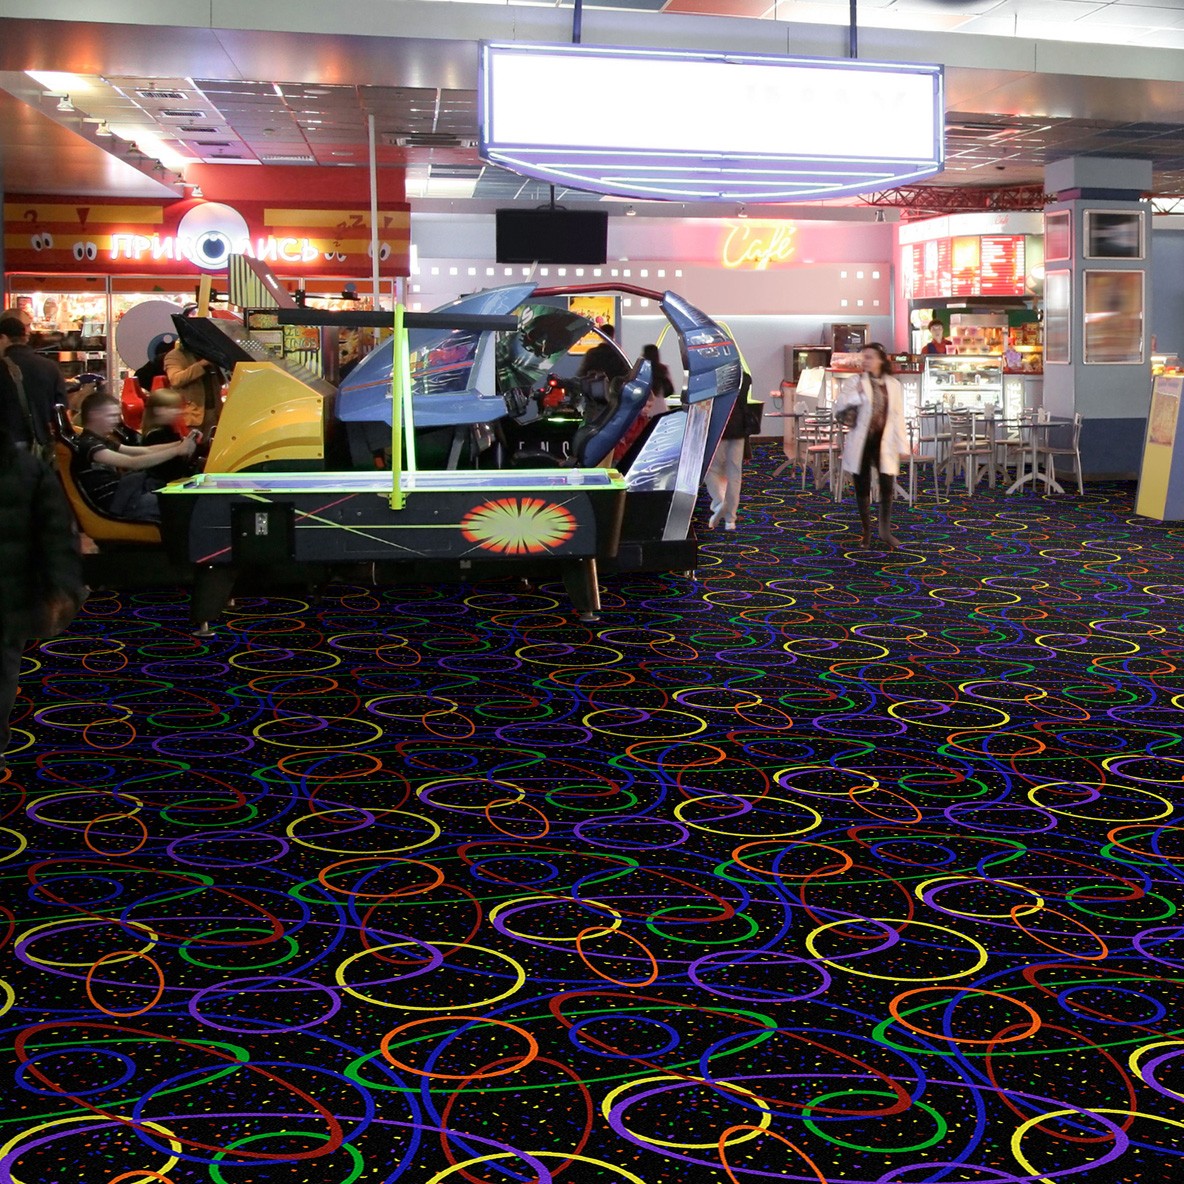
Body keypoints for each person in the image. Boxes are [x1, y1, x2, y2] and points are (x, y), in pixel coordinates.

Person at [0, 425, 86, 774]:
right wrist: (62, 587)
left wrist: (61, 586)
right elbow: (57, 537)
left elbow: (55, 536)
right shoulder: (27, 469)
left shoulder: (28, 470)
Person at [72, 392, 196, 522]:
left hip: (125, 495)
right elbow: (132, 462)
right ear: (94, 415)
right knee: (183, 503)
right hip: (118, 503)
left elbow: (145, 450)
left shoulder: (100, 440)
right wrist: (177, 450)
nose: (117, 420)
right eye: (111, 416)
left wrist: (181, 443)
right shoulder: (88, 444)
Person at [833, 343, 910, 551]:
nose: (865, 361)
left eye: (870, 357)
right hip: (862, 440)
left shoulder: (893, 385)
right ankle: (866, 531)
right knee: (862, 485)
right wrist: (857, 394)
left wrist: (903, 445)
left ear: (881, 360)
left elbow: (897, 416)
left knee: (886, 485)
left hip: (884, 440)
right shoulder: (855, 381)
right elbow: (839, 405)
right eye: (863, 357)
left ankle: (885, 531)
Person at [0, 315, 67, 443]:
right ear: (25, 338)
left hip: (7, 445)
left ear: (3, 338)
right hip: (41, 443)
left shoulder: (2, 368)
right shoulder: (50, 367)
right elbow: (61, 408)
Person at [705, 373, 755, 532]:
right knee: (734, 475)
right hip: (739, 429)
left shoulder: (713, 376)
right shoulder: (744, 377)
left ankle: (720, 503)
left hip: (718, 429)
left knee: (710, 470)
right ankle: (730, 520)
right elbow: (744, 405)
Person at [164, 340, 221, 433]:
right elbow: (175, 379)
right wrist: (201, 365)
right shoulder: (175, 355)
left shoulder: (209, 354)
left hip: (214, 412)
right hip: (191, 414)